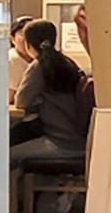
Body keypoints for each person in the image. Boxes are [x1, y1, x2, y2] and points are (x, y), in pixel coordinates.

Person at [13, 18, 92, 161]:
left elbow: (21, 101)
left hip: (59, 142)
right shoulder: (67, 62)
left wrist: (38, 100)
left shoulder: (39, 66)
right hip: (79, 141)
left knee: (8, 156)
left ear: (28, 44)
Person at [6, 16, 36, 103]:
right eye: (22, 34)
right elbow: (9, 97)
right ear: (12, 39)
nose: (28, 40)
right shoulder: (10, 60)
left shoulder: (40, 59)